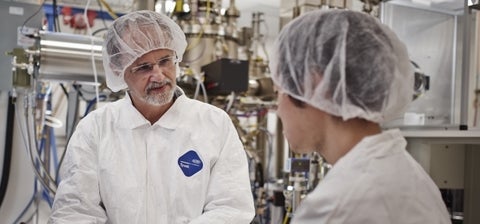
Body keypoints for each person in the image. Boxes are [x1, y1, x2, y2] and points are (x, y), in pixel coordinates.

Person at [49, 10, 255, 224]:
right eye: (143, 67)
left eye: (165, 61)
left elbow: (231, 209)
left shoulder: (215, 124)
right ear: (119, 70)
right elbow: (74, 212)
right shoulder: (95, 129)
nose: (158, 75)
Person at [269, 9, 451, 224]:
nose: (278, 110)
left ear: (316, 84)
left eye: (280, 92)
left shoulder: (338, 206)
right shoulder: (411, 175)